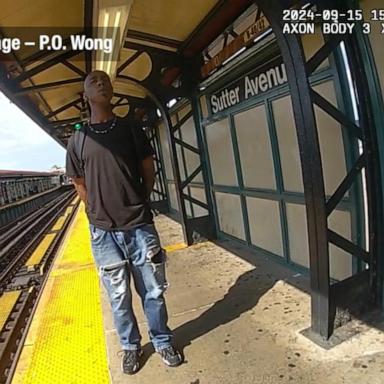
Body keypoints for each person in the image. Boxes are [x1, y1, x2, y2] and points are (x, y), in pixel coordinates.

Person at [65, 70, 182, 375]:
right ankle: (131, 347)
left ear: (112, 89)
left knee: (153, 292)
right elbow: (78, 180)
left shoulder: (130, 128)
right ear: (85, 94)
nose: (101, 83)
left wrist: (139, 200)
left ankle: (162, 341)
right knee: (118, 297)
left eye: (105, 80)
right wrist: (94, 211)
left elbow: (148, 167)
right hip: (103, 232)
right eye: (93, 81)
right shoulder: (78, 138)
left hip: (139, 225)